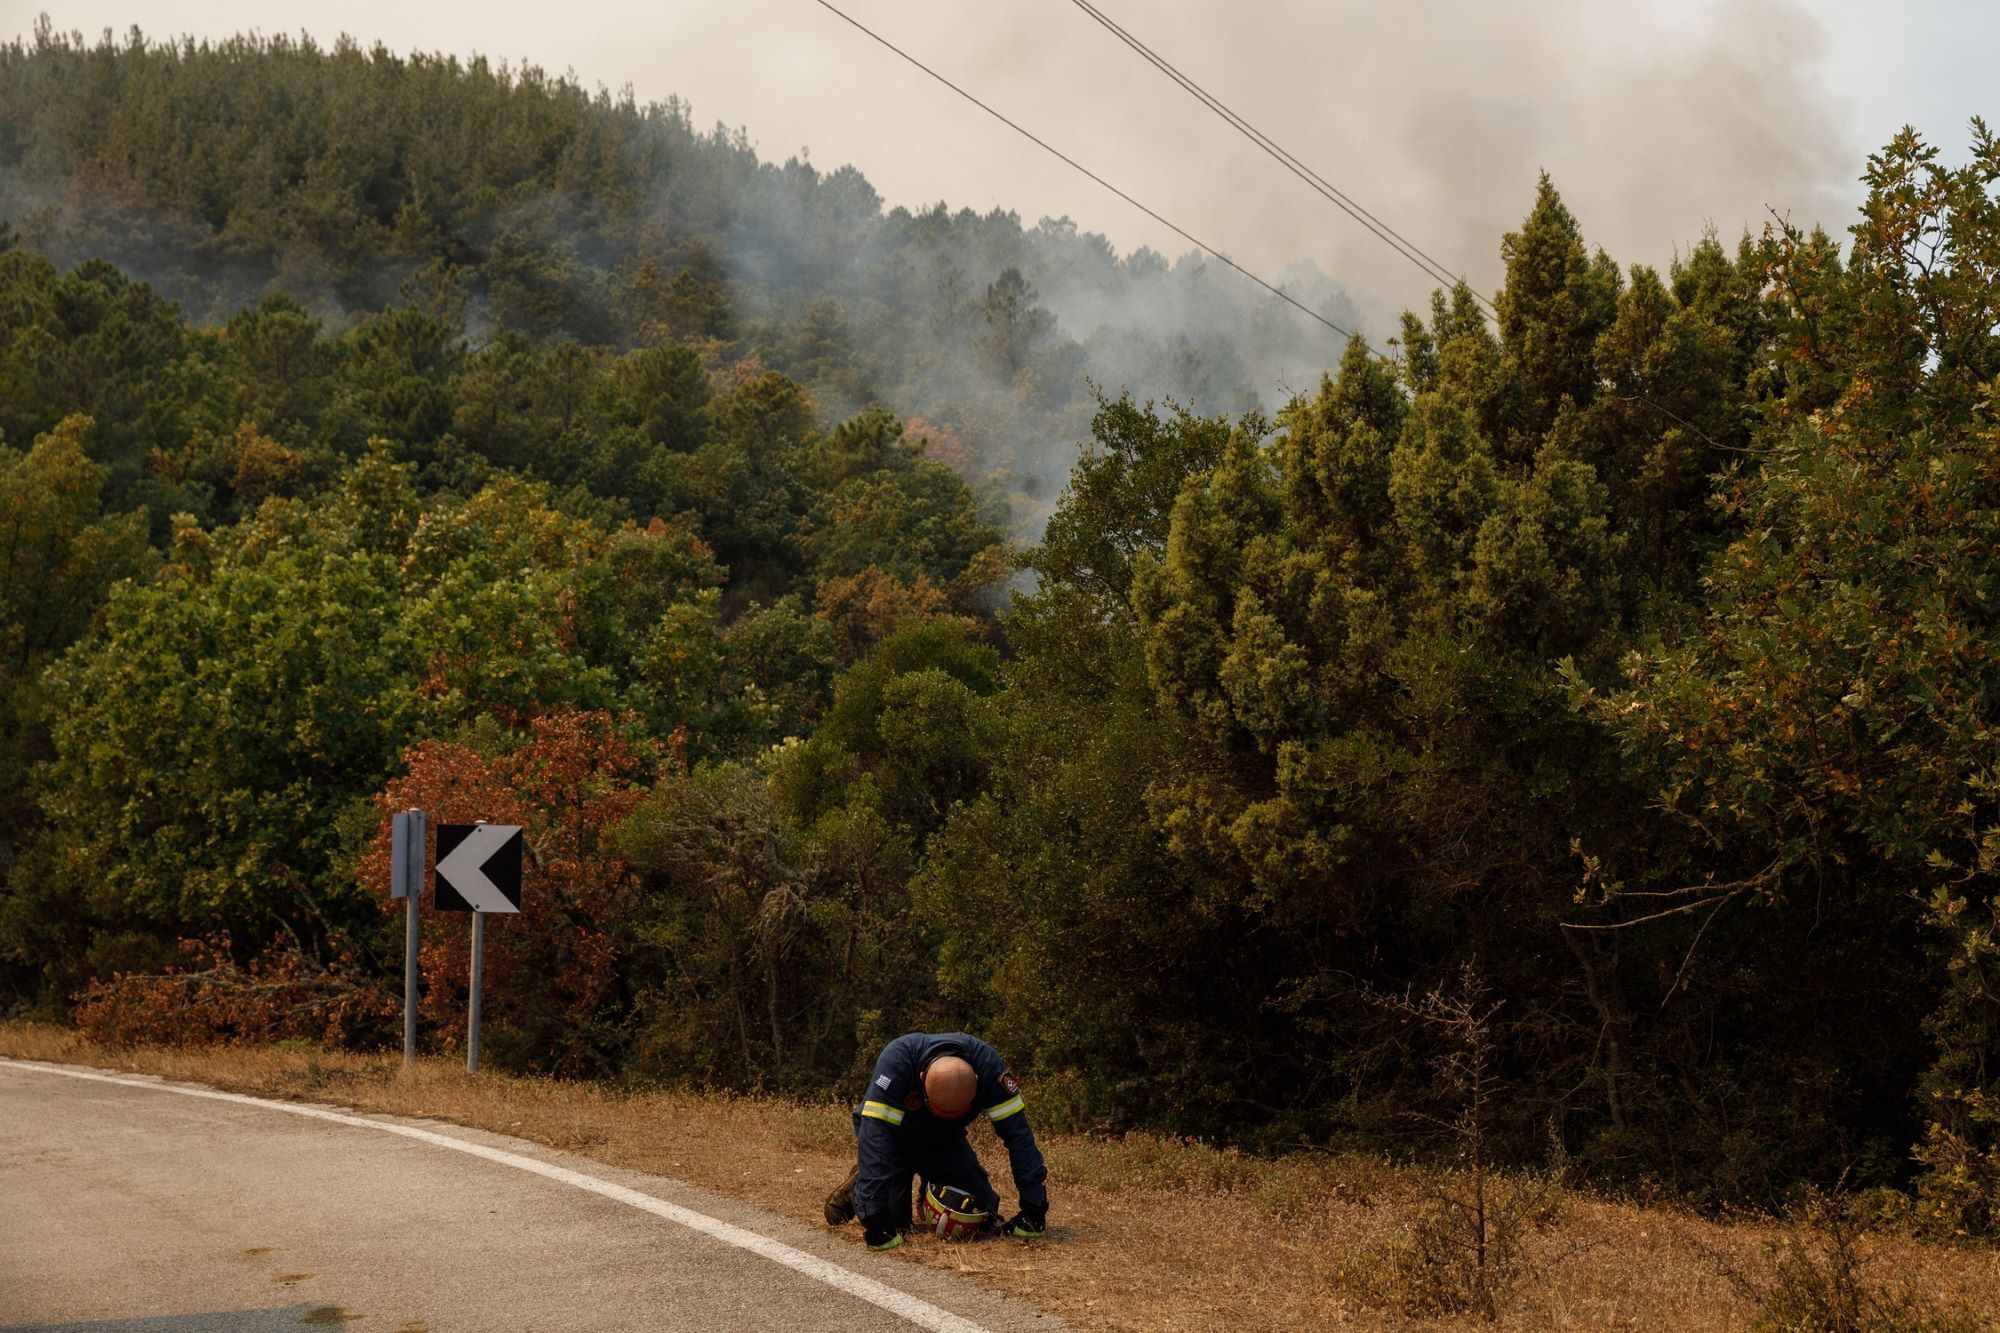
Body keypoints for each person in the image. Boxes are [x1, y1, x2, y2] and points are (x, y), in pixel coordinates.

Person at [824, 1031, 1049, 1251]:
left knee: (981, 1214)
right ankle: (859, 1182)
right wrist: (874, 1220)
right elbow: (876, 1140)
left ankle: (928, 1188)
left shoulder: (989, 1067)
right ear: (922, 1080)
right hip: (894, 1144)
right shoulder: (897, 1061)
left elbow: (1019, 1138)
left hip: (946, 1140)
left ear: (977, 1084)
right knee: (894, 1223)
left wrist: (1034, 1210)